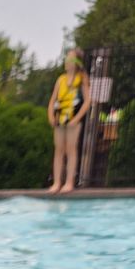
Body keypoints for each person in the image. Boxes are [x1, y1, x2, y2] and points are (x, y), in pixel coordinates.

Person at [47, 48, 90, 194]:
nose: (67, 61)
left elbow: (87, 102)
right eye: (66, 58)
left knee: (71, 149)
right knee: (58, 150)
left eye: (70, 59)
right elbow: (53, 100)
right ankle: (57, 182)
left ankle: (69, 182)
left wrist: (77, 119)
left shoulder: (82, 79)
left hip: (73, 118)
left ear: (76, 62)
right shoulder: (61, 79)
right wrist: (51, 116)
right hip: (60, 118)